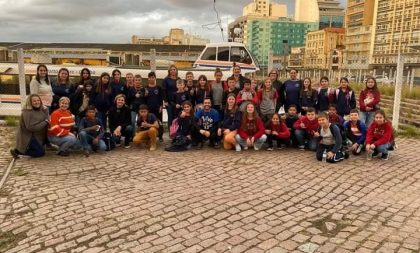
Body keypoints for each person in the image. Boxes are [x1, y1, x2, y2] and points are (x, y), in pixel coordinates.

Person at [144, 72, 164, 142]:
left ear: (155, 78)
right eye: (150, 77)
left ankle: (160, 136)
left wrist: (161, 106)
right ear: (148, 79)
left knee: (159, 122)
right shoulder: (145, 88)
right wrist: (145, 95)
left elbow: (161, 98)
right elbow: (143, 99)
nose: (151, 79)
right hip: (148, 109)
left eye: (153, 77)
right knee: (149, 122)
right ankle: (149, 136)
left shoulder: (159, 88)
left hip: (157, 108)